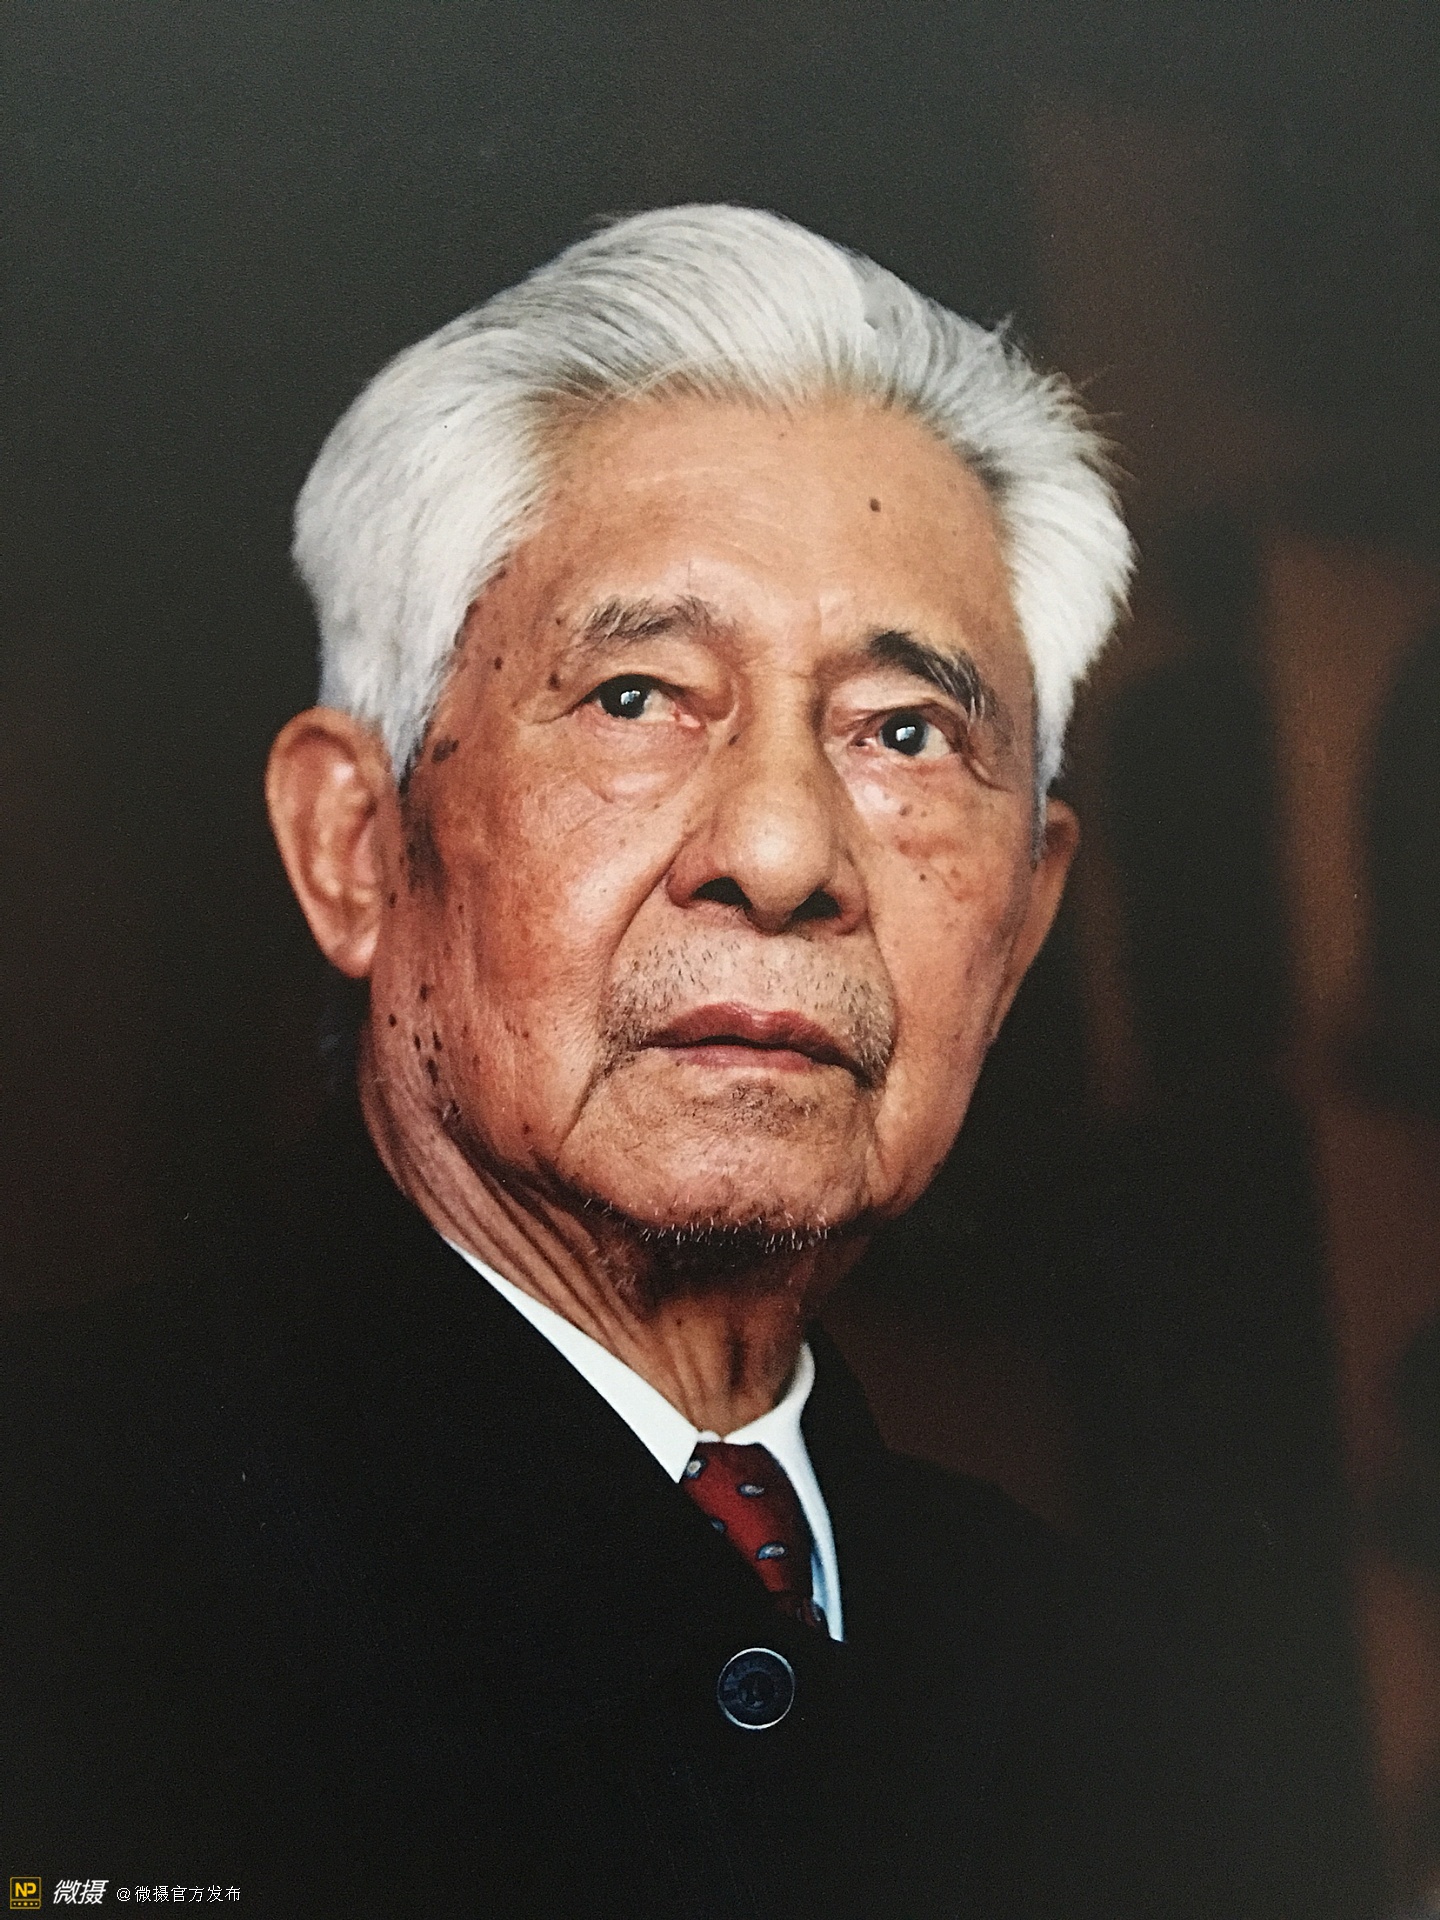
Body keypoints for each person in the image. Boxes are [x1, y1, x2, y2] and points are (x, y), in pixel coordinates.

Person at [3, 206, 1135, 1916]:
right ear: (356, 846)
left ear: (1024, 922)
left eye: (905, 733)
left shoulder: (1099, 1686)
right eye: (637, 696)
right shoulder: (56, 1554)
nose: (781, 852)